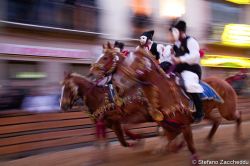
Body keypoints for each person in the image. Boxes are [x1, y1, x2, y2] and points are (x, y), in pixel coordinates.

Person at [169, 20, 204, 122]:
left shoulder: (191, 41)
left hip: (191, 70)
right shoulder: (177, 44)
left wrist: (180, 59)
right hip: (180, 70)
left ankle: (199, 112)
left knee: (189, 85)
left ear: (180, 31)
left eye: (175, 31)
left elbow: (195, 56)